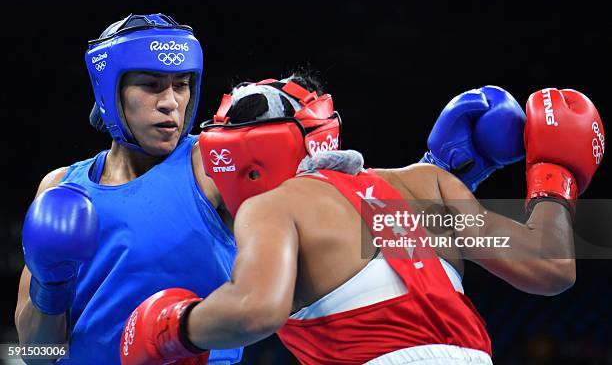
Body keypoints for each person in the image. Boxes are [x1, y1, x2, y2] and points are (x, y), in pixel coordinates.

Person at [119, 74, 603, 364]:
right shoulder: (429, 186)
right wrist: (553, 174)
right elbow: (550, 265)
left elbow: (255, 311)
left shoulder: (273, 207)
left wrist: (172, 327)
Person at [15, 14, 242, 364]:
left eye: (181, 85)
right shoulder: (60, 186)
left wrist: (363, 211)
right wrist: (49, 285)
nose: (170, 102)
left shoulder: (213, 163)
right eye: (152, 85)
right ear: (110, 92)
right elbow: (36, 354)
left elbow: (354, 207)